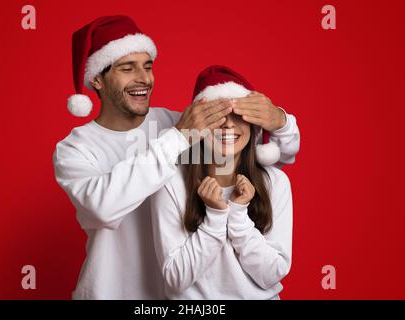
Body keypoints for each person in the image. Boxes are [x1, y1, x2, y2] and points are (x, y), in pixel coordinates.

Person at [53, 16, 300, 299]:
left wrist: (280, 121)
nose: (143, 79)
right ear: (97, 78)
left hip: (178, 294)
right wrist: (180, 137)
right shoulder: (75, 148)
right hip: (113, 291)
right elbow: (101, 208)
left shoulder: (175, 125)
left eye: (148, 66)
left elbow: (271, 159)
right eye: (127, 68)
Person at [151, 65, 293, 300]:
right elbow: (176, 278)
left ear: (253, 126)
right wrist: (215, 218)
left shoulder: (274, 182)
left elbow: (272, 274)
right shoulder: (170, 183)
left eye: (238, 115)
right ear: (199, 126)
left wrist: (238, 216)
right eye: (217, 115)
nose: (228, 125)